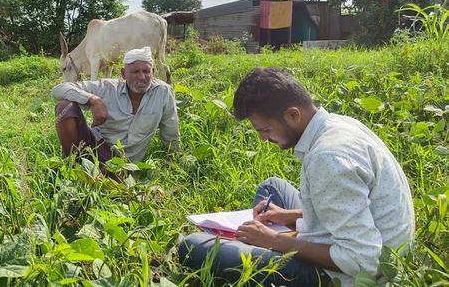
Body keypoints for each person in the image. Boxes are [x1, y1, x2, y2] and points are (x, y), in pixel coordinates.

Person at [178, 67, 415, 286]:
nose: (262, 139)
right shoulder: (336, 125)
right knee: (273, 187)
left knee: (192, 246)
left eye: (265, 130)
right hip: (361, 237)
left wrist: (274, 241)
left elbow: (364, 261)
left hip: (346, 275)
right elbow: (355, 205)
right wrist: (288, 216)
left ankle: (259, 253)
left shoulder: (329, 157)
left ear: (293, 115)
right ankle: (258, 245)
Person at [52, 46, 180, 168]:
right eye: (135, 72)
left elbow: (170, 130)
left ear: (153, 72)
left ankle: (103, 173)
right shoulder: (108, 88)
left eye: (146, 71)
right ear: (124, 74)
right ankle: (72, 164)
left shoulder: (163, 92)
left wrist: (174, 159)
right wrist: (93, 100)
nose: (142, 77)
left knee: (111, 179)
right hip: (97, 146)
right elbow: (59, 89)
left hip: (128, 163)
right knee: (65, 107)